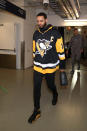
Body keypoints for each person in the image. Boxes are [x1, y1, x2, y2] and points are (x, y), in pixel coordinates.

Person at [28, 12, 65, 123]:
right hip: (38, 66)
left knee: (50, 85)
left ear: (46, 20)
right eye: (38, 21)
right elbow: (34, 49)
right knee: (36, 88)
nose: (39, 23)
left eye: (41, 21)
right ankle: (36, 110)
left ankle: (55, 93)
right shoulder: (35, 34)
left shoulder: (55, 33)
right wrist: (35, 59)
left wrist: (62, 67)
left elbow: (61, 51)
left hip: (50, 67)